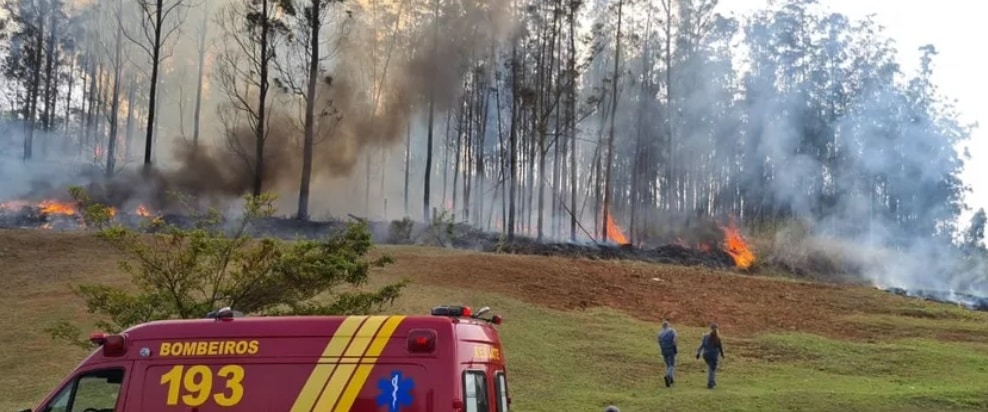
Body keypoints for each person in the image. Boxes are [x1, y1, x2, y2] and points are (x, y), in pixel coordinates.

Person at [695, 322, 725, 389]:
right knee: (712, 369)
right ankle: (710, 383)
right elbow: (720, 347)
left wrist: (698, 353)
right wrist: (722, 355)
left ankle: (713, 381)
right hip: (713, 355)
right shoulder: (718, 337)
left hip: (706, 355)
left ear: (710, 328)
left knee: (710, 368)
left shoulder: (705, 336)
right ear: (717, 328)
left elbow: (701, 345)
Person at [656, 321, 678, 387]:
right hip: (671, 349)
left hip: (664, 350)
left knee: (667, 365)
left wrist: (662, 350)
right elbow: (675, 339)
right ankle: (668, 376)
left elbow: (659, 342)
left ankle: (671, 380)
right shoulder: (672, 330)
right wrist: (675, 347)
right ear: (668, 325)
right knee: (672, 365)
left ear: (662, 326)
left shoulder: (660, 333)